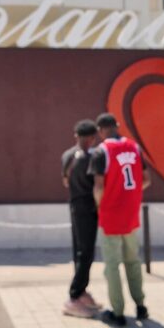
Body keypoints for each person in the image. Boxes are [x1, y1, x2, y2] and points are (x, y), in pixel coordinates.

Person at [89, 113, 150, 327]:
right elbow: (146, 180)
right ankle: (140, 305)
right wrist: (129, 196)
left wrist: (100, 205)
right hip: (130, 214)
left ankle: (118, 311)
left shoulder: (102, 151)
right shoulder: (135, 147)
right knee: (133, 261)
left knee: (112, 266)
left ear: (100, 130)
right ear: (117, 126)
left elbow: (98, 186)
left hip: (110, 215)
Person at [60, 119, 103, 317]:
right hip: (88, 208)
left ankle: (82, 291)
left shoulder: (67, 155)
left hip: (75, 206)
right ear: (93, 137)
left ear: (76, 135)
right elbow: (97, 186)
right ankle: (74, 296)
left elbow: (65, 181)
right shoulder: (93, 157)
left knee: (79, 251)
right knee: (86, 252)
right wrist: (99, 205)